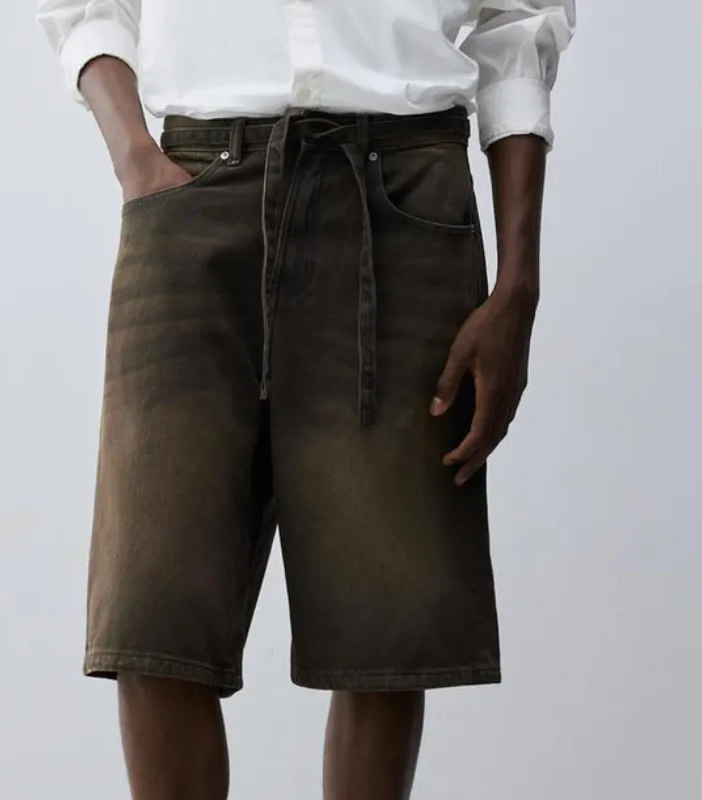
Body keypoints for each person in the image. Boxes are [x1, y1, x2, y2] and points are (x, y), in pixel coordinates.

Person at [36, 1, 574, 797]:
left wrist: (519, 284)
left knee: (381, 624)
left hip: (402, 191)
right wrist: (135, 160)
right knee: (152, 611)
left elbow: (520, 17)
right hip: (191, 190)